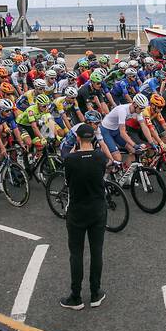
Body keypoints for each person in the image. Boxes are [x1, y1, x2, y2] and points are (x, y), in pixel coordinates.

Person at [60, 123, 110, 310]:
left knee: (76, 254)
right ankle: (95, 293)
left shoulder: (70, 160)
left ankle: (76, 296)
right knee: (97, 252)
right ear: (93, 139)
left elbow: (68, 181)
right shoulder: (100, 157)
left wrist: (74, 151)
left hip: (77, 211)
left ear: (78, 139)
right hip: (97, 209)